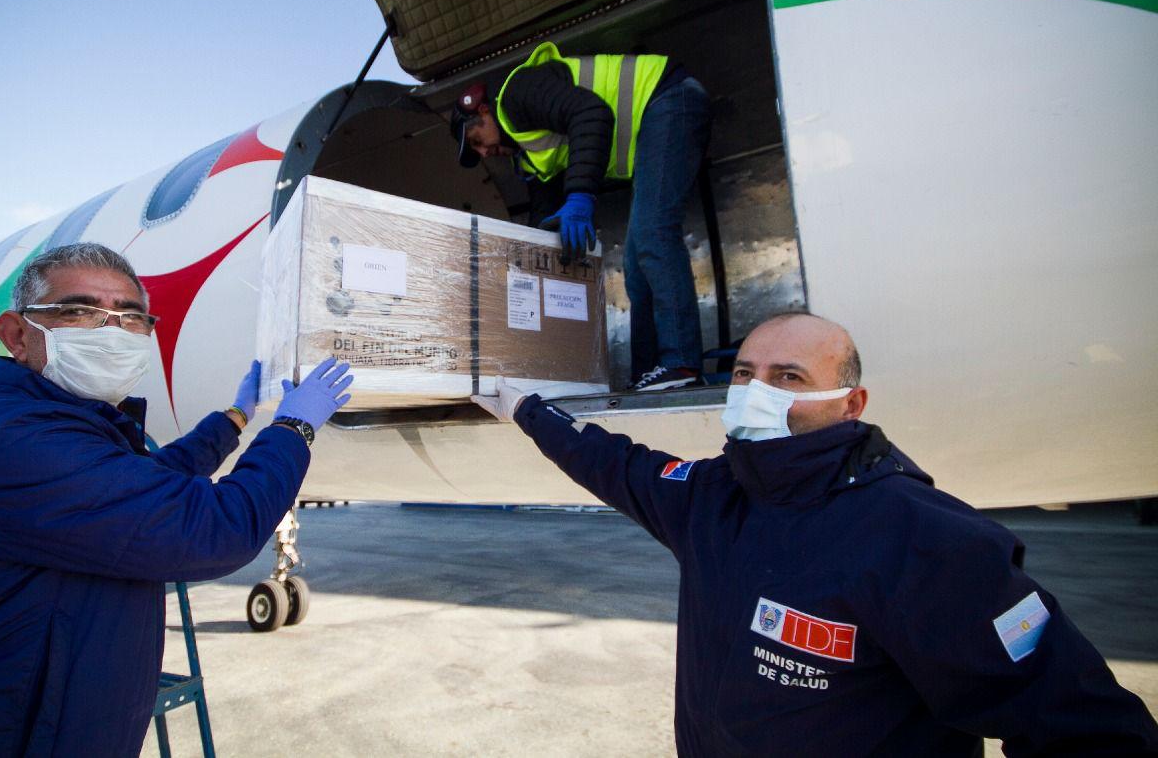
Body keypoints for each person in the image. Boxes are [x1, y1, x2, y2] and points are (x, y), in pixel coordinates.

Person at [472, 312, 1158, 755]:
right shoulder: (711, 497)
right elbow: (612, 463)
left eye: (788, 377)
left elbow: (1082, 725)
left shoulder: (923, 538)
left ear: (850, 403)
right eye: (745, 373)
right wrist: (528, 409)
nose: (756, 391)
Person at [0, 243, 353, 756]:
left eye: (130, 317)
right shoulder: (7, 437)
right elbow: (214, 529)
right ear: (17, 335)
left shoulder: (62, 424)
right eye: (79, 312)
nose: (111, 331)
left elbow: (146, 483)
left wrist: (235, 418)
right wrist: (294, 428)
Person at [450, 41, 711, 391]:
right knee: (635, 266)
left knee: (654, 234)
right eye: (478, 151)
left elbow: (592, 113)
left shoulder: (516, 96)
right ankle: (647, 374)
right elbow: (542, 218)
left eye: (477, 139)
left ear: (483, 110)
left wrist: (579, 197)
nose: (484, 152)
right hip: (656, 117)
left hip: (665, 97)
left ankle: (681, 364)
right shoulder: (529, 156)